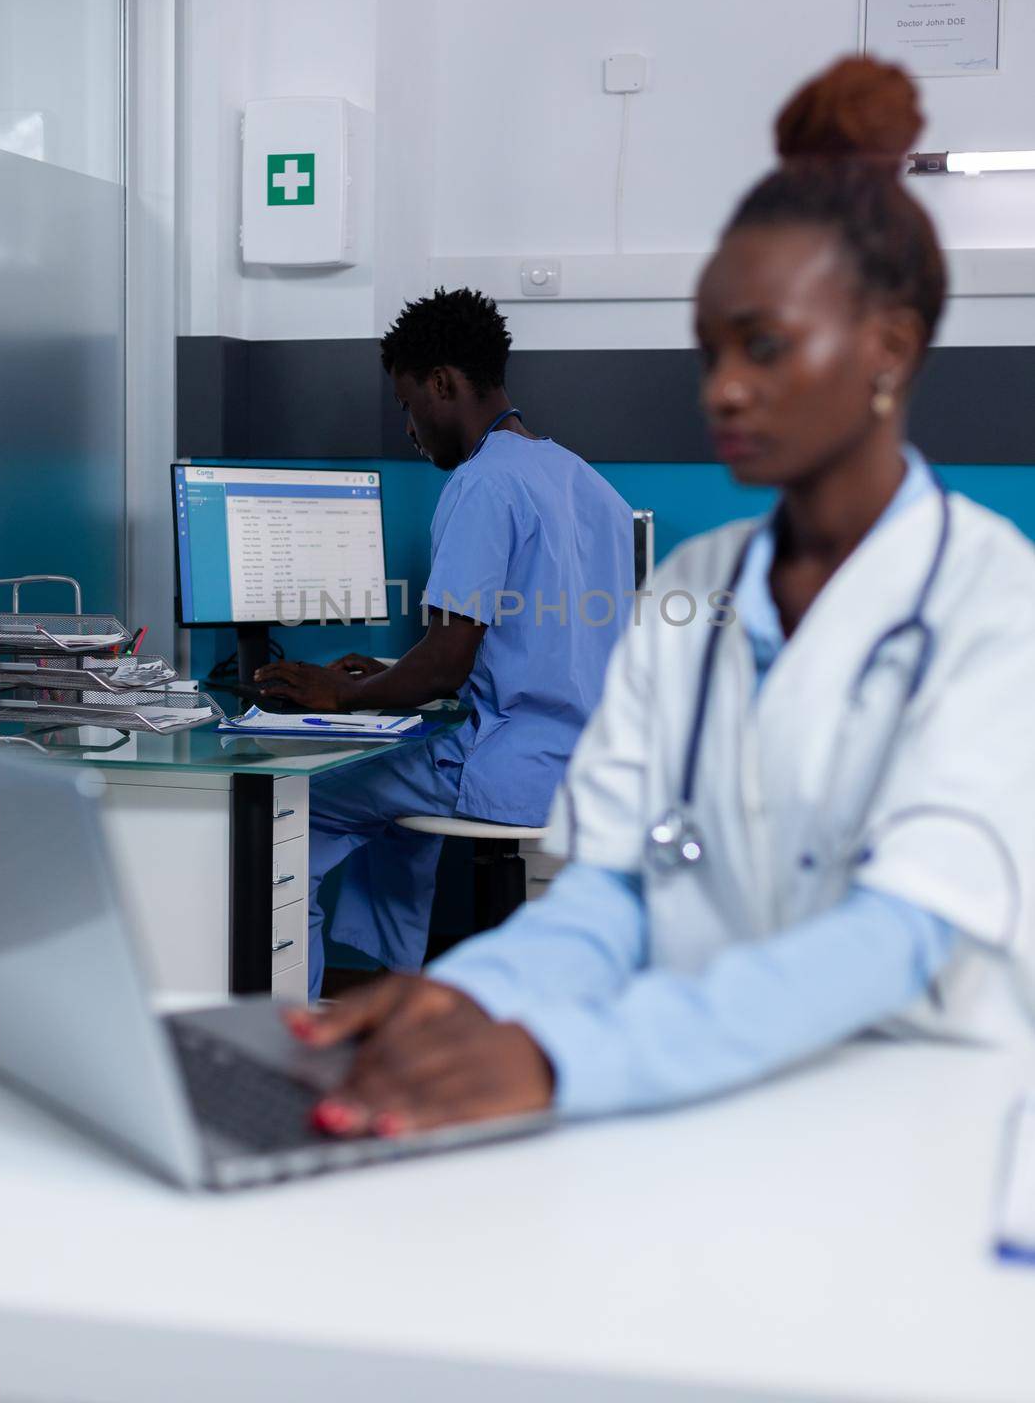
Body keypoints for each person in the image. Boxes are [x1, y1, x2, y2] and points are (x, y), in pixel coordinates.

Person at [283, 58, 1035, 1137]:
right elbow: (609, 888)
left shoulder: (989, 602)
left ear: (887, 350)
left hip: (914, 1124)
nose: (722, 386)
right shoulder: (692, 591)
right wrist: (474, 998)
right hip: (695, 1102)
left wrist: (560, 1053)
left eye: (763, 345)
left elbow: (895, 934)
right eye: (712, 348)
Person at [256, 287, 634, 996]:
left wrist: (343, 693)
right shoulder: (588, 485)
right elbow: (544, 640)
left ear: (441, 384)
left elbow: (447, 661)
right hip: (585, 767)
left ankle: (301, 1023)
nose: (409, 427)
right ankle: (398, 987)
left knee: (295, 809)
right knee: (394, 802)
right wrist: (392, 673)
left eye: (406, 405)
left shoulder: (482, 483)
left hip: (511, 772)